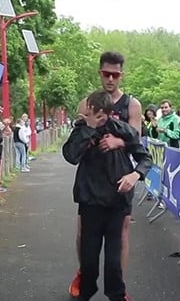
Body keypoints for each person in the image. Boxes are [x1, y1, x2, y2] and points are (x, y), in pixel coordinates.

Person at [63, 91, 152, 301]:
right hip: (90, 201)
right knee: (89, 258)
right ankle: (85, 291)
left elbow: (145, 157)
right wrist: (89, 130)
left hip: (117, 201)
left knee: (113, 260)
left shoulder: (121, 129)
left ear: (109, 114)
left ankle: (117, 295)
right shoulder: (81, 131)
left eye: (101, 115)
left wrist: (135, 174)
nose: (97, 118)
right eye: (92, 114)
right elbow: (70, 156)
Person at [71, 51, 142, 298]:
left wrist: (117, 142)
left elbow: (136, 140)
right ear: (100, 73)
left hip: (118, 178)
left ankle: (117, 287)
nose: (110, 79)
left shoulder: (132, 105)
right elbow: (75, 144)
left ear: (121, 75)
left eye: (115, 74)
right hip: (91, 181)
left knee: (121, 233)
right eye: (106, 74)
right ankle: (84, 274)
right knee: (84, 233)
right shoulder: (86, 103)